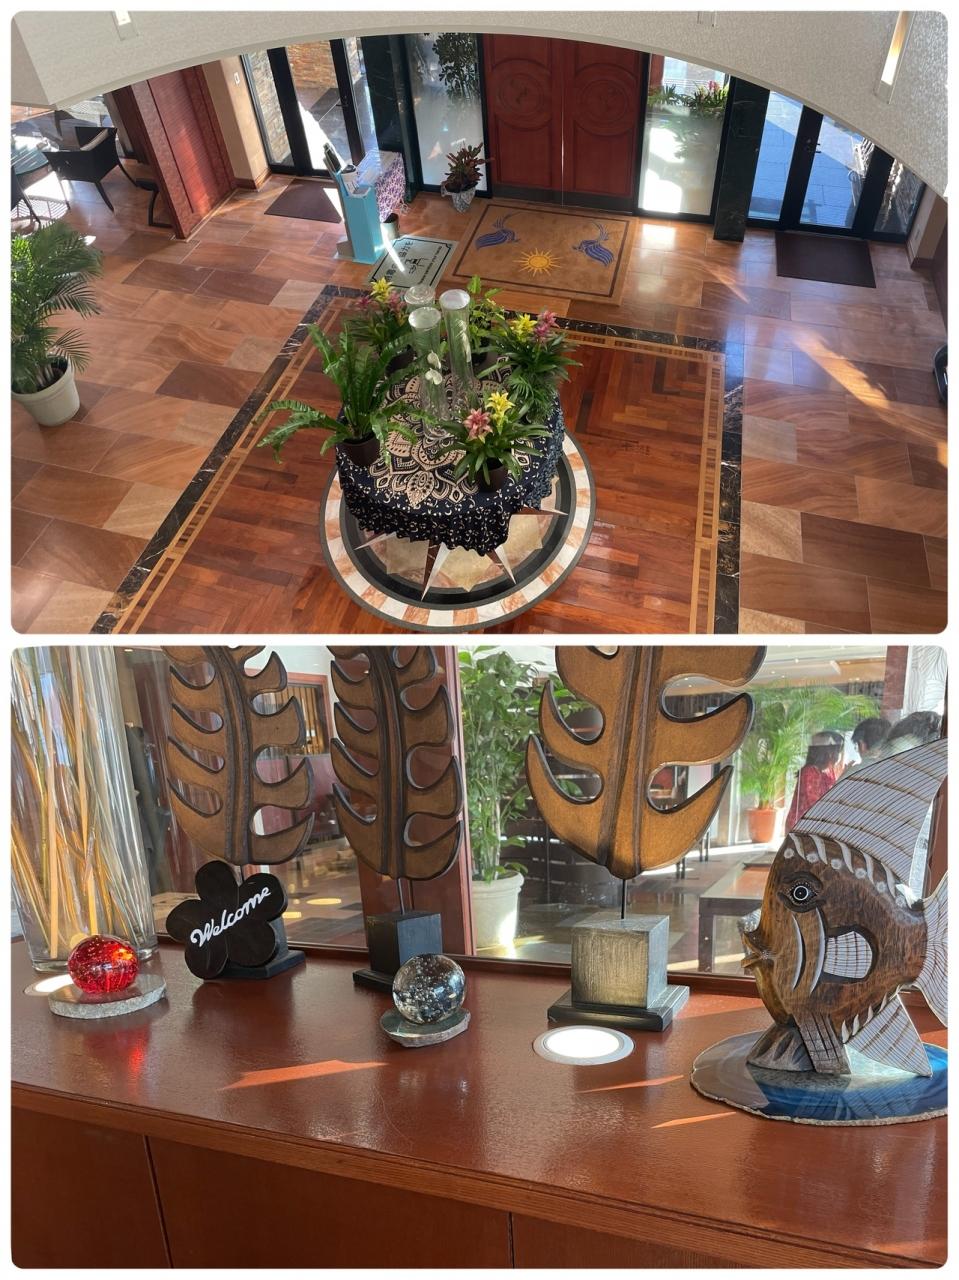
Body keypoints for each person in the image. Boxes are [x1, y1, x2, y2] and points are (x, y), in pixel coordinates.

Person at [785, 731, 845, 827]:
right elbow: (817, 807)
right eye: (837, 751)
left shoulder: (821, 773)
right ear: (829, 753)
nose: (838, 756)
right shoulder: (810, 773)